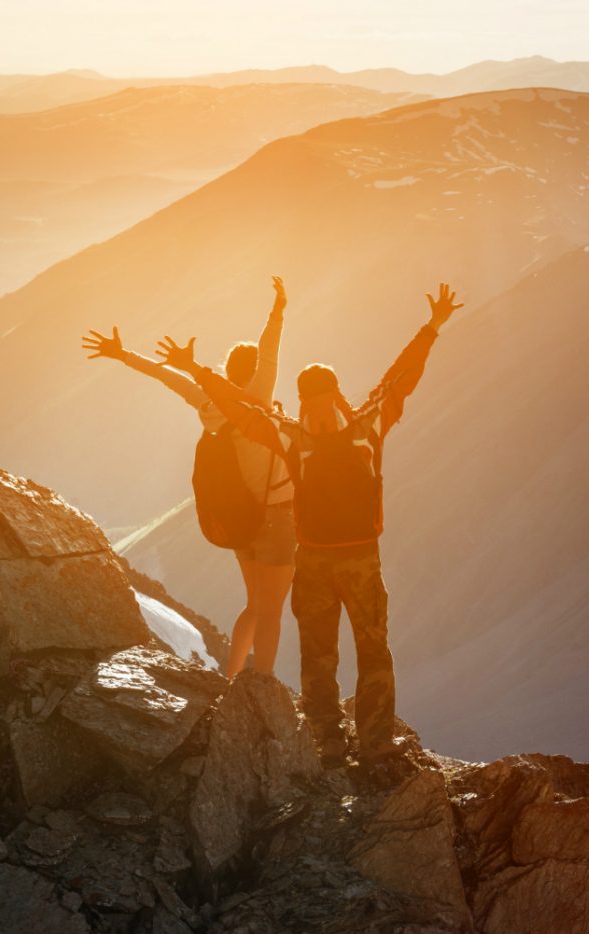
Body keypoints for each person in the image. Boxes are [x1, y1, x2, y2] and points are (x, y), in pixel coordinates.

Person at [153, 283, 464, 776]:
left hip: (314, 561)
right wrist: (432, 327)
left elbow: (241, 408)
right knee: (372, 650)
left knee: (319, 657)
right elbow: (401, 378)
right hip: (360, 560)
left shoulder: (292, 438)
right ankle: (376, 743)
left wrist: (197, 371)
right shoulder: (367, 427)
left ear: (303, 401)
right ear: (336, 396)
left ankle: (328, 744)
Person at [81, 276, 295, 679]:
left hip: (242, 518)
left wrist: (122, 354)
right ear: (251, 376)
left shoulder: (209, 401)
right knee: (271, 611)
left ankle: (233, 680)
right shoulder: (256, 401)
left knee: (254, 604)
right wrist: (278, 309)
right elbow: (270, 354)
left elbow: (167, 376)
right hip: (277, 516)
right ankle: (263, 689)